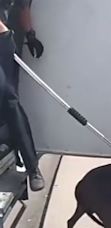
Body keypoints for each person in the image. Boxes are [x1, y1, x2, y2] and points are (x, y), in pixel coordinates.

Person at [1, 0, 45, 191]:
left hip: (4, 41)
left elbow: (23, 6)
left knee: (9, 99)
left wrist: (30, 34)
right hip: (4, 36)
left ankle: (31, 166)